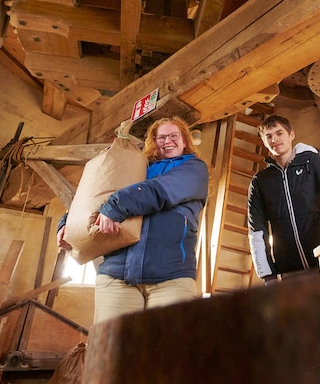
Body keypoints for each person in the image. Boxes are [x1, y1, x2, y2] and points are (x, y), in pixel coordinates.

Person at [57, 116, 209, 323]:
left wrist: (115, 206)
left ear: (185, 140)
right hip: (116, 274)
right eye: (161, 137)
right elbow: (96, 195)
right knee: (113, 351)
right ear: (153, 142)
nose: (168, 141)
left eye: (174, 136)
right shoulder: (136, 168)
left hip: (171, 277)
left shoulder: (194, 169)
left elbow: (158, 192)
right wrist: (67, 224)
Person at [247, 114, 320, 283]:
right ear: (264, 142)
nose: (274, 139)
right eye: (268, 136)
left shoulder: (310, 163)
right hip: (290, 268)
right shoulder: (260, 181)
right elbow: (257, 231)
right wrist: (267, 275)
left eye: (279, 133)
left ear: (291, 135)